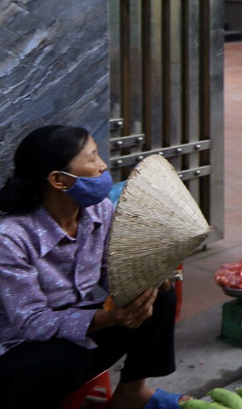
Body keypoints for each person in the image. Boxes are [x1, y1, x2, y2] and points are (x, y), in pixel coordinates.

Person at [0, 126, 185, 408]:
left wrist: (142, 283)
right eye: (91, 158)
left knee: (159, 298)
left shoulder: (99, 210)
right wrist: (107, 318)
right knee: (67, 356)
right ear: (58, 180)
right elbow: (32, 323)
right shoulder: (11, 238)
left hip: (77, 329)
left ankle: (131, 394)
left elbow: (111, 271)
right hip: (19, 350)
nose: (102, 166)